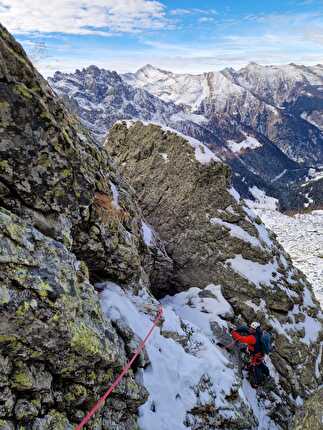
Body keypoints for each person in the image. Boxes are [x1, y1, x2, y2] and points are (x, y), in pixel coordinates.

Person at [231, 322, 270, 388]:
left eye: (252, 329)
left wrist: (233, 333)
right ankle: (266, 373)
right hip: (259, 354)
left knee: (255, 367)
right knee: (260, 364)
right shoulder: (259, 333)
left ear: (256, 330)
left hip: (254, 356)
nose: (250, 329)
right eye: (251, 328)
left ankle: (256, 383)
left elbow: (241, 339)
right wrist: (238, 329)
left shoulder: (253, 338)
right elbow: (245, 328)